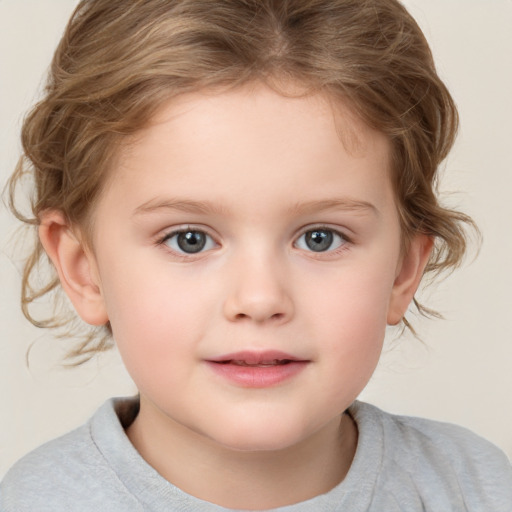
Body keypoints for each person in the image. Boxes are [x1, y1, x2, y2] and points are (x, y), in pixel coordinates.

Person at [1, 0, 511, 510]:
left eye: (320, 238)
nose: (260, 298)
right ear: (83, 270)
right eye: (189, 239)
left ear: (403, 269)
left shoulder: (473, 488)